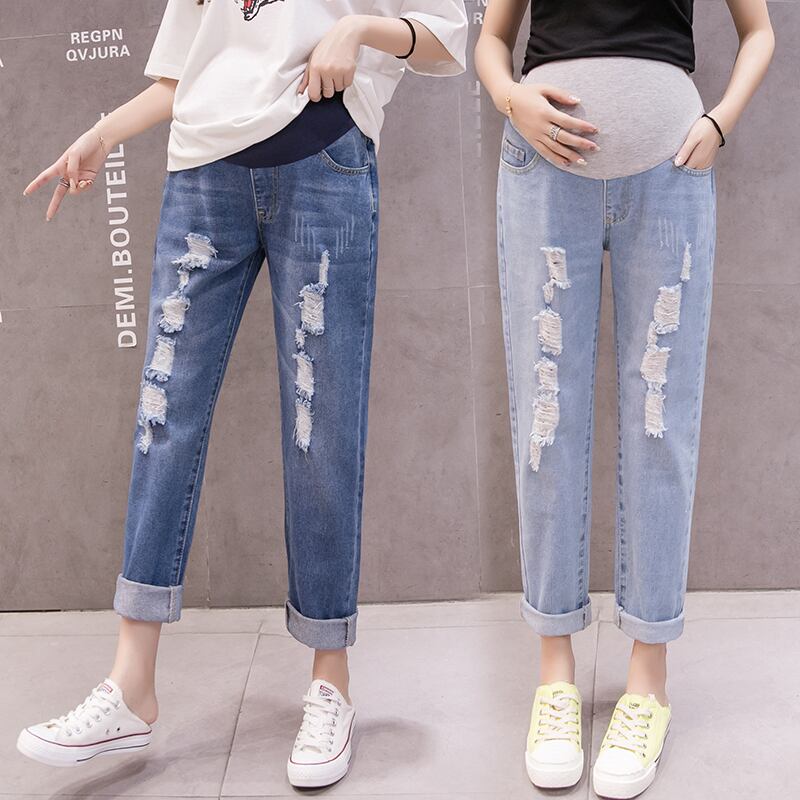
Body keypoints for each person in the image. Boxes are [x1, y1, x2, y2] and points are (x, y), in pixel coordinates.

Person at [17, 0, 466, 788]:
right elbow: (181, 74)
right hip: (203, 179)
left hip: (322, 160)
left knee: (321, 428)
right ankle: (132, 684)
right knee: (163, 413)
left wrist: (359, 30)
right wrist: (102, 134)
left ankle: (330, 683)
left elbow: (444, 36)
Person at [474, 1, 773, 797]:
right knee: (546, 420)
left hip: (670, 173)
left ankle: (647, 681)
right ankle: (555, 676)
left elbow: (761, 32)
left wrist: (719, 123)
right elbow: (492, 40)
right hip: (544, 170)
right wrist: (509, 96)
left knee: (660, 422)